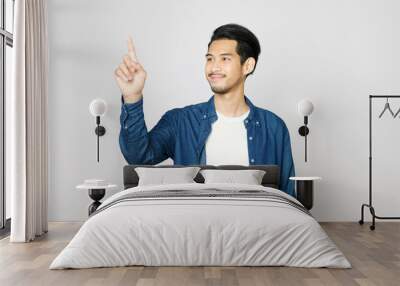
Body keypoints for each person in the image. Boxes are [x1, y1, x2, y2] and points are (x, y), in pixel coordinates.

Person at [115, 24, 295, 196]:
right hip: (194, 225)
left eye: (225, 59)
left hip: (256, 226)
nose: (214, 67)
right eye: (210, 58)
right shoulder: (180, 121)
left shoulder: (273, 127)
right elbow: (138, 157)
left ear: (247, 66)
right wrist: (132, 98)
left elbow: (287, 194)